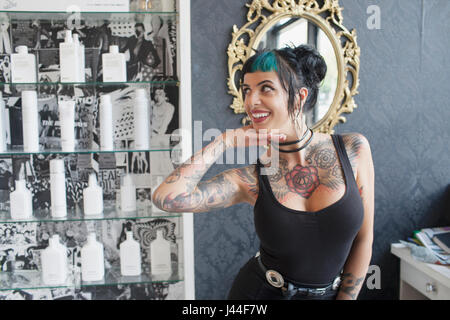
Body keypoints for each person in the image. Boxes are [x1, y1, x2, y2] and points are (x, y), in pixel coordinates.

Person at [151, 44, 374, 300]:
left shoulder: (353, 149)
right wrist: (223, 141)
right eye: (246, 90)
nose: (251, 101)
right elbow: (166, 199)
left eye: (265, 89)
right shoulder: (250, 179)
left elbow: (364, 239)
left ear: (300, 97)